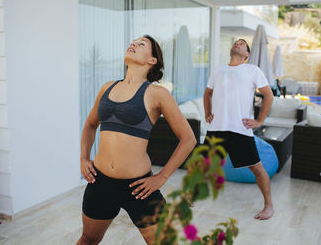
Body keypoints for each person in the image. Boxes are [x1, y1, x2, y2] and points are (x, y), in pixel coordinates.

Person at [77, 35, 197, 245]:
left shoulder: (158, 94)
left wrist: (162, 177)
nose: (132, 44)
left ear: (152, 61)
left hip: (139, 187)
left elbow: (188, 139)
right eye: (132, 42)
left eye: (141, 44)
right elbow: (90, 125)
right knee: (88, 239)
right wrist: (83, 158)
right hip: (100, 182)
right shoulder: (107, 87)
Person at [203, 39, 274, 220]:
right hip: (217, 128)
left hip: (240, 130)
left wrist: (259, 120)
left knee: (257, 169)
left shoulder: (252, 70)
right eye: (235, 42)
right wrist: (208, 113)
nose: (237, 44)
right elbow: (207, 93)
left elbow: (268, 95)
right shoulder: (218, 70)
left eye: (242, 44)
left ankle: (268, 206)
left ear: (247, 55)